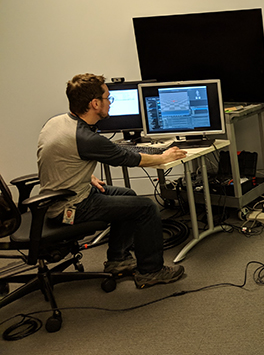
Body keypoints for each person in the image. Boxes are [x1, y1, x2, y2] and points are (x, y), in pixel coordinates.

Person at [37, 73, 188, 289]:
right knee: (146, 208)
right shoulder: (86, 138)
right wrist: (162, 158)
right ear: (95, 103)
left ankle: (118, 260)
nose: (110, 103)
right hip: (70, 207)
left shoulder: (57, 122)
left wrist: (84, 174)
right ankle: (151, 271)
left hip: (62, 195)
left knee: (127, 196)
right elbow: (128, 158)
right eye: (108, 98)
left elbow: (56, 156)